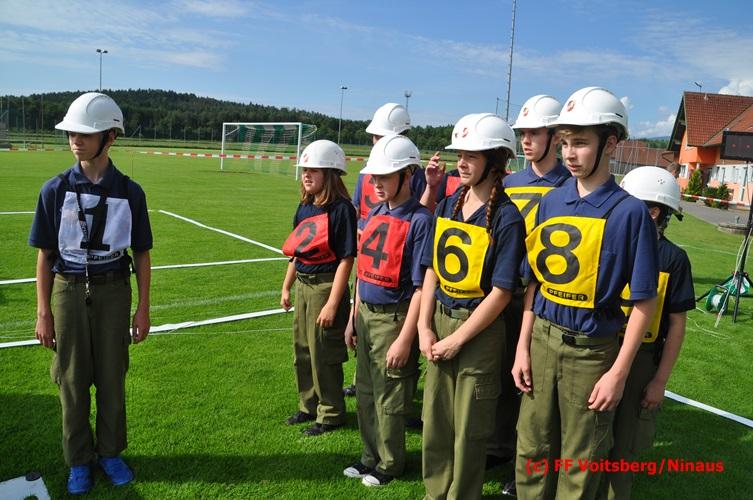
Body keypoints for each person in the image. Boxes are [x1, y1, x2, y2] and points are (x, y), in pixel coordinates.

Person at [513, 86, 659, 500]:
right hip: (541, 341)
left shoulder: (630, 212)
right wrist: (523, 346)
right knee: (532, 449)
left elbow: (644, 302)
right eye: (564, 143)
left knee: (580, 461)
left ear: (610, 143)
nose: (569, 154)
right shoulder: (551, 202)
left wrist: (618, 373)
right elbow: (536, 282)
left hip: (591, 353)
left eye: (580, 142)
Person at [29, 92, 152, 495]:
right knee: (71, 378)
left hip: (114, 290)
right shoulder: (54, 189)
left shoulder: (131, 192)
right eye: (71, 133)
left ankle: (110, 453)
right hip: (67, 291)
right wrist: (43, 312)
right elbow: (45, 255)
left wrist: (143, 308)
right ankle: (79, 460)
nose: (75, 140)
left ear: (110, 137)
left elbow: (142, 253)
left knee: (112, 378)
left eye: (85, 133)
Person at [418, 113, 526, 499]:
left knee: (469, 428)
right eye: (460, 154)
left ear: (495, 161)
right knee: (435, 421)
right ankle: (435, 492)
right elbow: (431, 269)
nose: (461, 163)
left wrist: (457, 339)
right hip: (440, 322)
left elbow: (501, 292)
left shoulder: (508, 218)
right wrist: (424, 327)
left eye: (472, 156)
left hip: (478, 333)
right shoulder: (448, 205)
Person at [342, 135, 433, 487]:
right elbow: (363, 272)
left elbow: (421, 288)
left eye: (385, 176)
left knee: (390, 396)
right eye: (374, 177)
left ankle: (390, 463)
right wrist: (353, 318)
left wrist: (405, 338)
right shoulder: (376, 213)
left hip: (394, 318)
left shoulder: (420, 220)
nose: (376, 183)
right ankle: (370, 456)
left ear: (407, 174)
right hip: (366, 314)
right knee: (366, 392)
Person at [601, 166, 694, 499]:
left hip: (641, 360)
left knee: (625, 440)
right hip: (600, 348)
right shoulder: (610, 244)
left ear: (653, 212)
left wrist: (660, 381)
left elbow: (677, 324)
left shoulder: (674, 259)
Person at [493, 95, 570, 494]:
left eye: (534, 133)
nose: (525, 140)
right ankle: (500, 447)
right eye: (522, 133)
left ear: (555, 137)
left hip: (541, 300)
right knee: (502, 375)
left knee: (534, 388)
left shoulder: (569, 185)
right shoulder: (509, 183)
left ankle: (526, 468)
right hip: (503, 294)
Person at [281, 140, 357, 436]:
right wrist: (286, 287)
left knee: (323, 353)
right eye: (305, 170)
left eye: (313, 170)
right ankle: (308, 405)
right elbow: (297, 252)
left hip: (325, 287)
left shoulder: (342, 210)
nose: (306, 175)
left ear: (330, 173)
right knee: (302, 350)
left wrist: (332, 304)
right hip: (303, 285)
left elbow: (346, 259)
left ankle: (331, 412)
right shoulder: (304, 207)